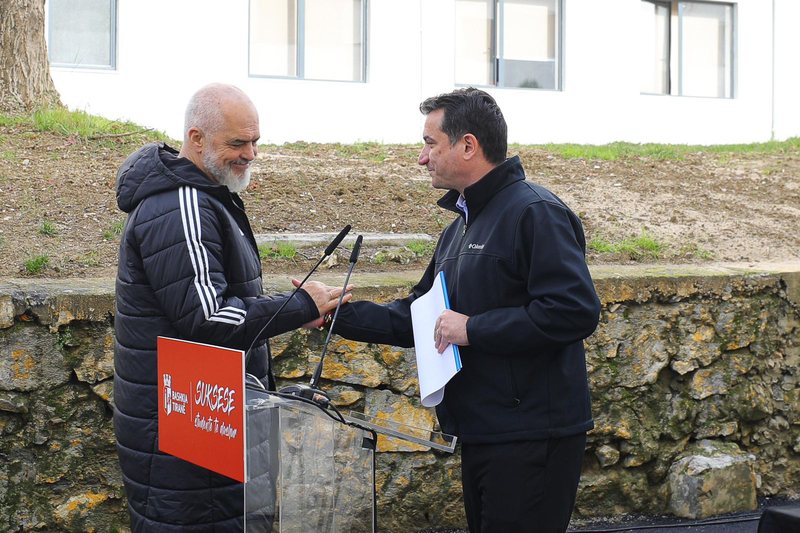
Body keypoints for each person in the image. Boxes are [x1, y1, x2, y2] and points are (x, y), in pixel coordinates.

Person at [333, 88, 601, 532]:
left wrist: (473, 329)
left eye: (430, 143)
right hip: (483, 430)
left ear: (468, 145)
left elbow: (573, 311)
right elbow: (418, 318)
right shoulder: (459, 230)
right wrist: (332, 314)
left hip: (532, 435)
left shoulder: (536, 212)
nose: (422, 158)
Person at [113, 83, 348, 531]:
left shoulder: (204, 194)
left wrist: (296, 313)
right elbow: (208, 319)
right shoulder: (181, 202)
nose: (251, 154)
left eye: (255, 141)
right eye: (238, 143)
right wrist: (299, 305)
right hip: (185, 440)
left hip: (206, 422)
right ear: (196, 138)